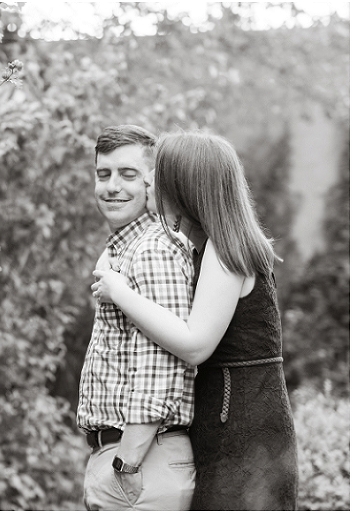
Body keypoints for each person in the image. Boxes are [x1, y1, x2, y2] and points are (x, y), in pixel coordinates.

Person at [93, 131, 299, 510]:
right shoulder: (206, 247)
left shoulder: (227, 251)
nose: (153, 185)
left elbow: (195, 344)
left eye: (161, 177)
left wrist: (122, 294)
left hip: (245, 438)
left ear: (187, 187)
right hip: (225, 430)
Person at [77, 125, 197, 510]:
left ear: (151, 182)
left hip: (142, 464)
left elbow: (160, 364)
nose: (113, 186)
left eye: (128, 174)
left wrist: (124, 464)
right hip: (137, 463)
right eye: (103, 174)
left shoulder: (151, 250)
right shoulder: (126, 251)